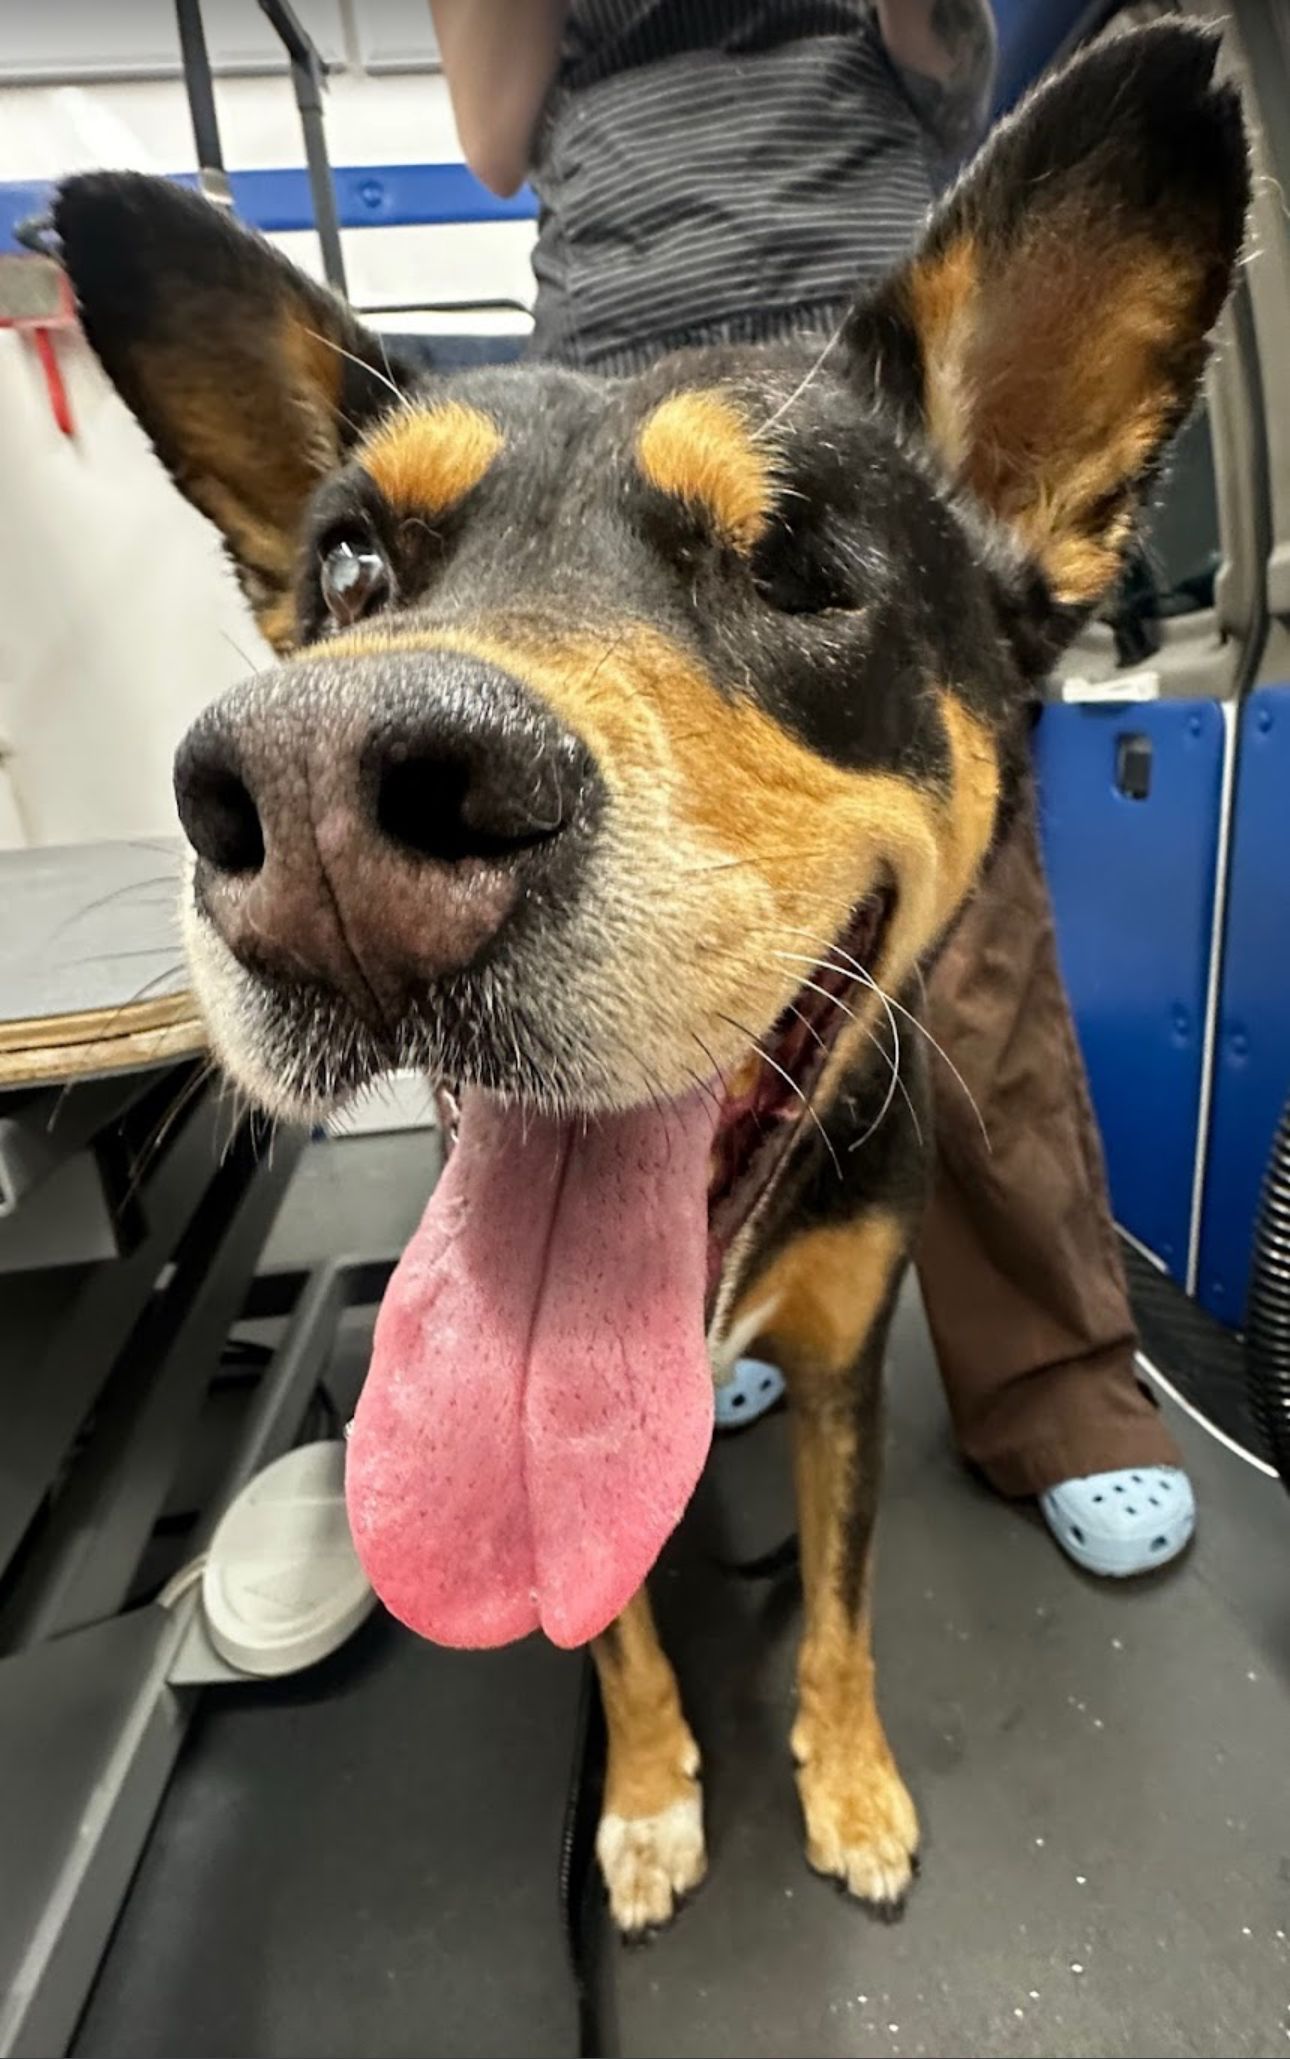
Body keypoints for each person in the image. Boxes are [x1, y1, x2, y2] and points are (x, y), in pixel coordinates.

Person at [427, 0, 1195, 1579]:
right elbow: (493, 138)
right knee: (596, 962)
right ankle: (699, 1308)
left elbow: (945, 56)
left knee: (969, 960)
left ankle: (1053, 1387)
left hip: (854, 359)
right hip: (602, 373)